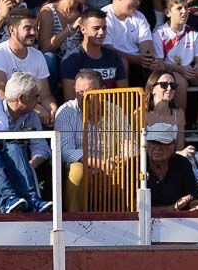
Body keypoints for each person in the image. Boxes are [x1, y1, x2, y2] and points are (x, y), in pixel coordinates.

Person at [55, 69, 137, 212]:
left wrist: (120, 160)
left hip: (113, 168)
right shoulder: (66, 112)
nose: (84, 97)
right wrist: (99, 163)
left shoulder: (116, 110)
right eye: (80, 92)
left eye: (89, 92)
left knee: (134, 166)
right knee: (76, 171)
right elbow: (66, 151)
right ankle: (74, 221)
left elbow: (130, 144)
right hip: (85, 168)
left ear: (103, 90)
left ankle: (131, 221)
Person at [0, 71, 54, 213]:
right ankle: (9, 200)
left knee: (15, 150)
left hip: (19, 159)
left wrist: (32, 163)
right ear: (22, 98)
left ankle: (33, 201)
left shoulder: (31, 115)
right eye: (36, 96)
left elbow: (41, 146)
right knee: (14, 149)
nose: (38, 101)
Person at [152, 0, 198, 124]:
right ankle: (181, 124)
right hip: (170, 72)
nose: (184, 12)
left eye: (186, 7)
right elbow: (159, 64)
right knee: (179, 84)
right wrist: (180, 69)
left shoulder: (192, 32)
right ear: (167, 12)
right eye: (179, 8)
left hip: (188, 71)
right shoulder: (159, 33)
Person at [0, 8, 54, 126]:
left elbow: (45, 95)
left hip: (29, 113)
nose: (33, 32)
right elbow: (2, 95)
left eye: (35, 28)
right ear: (12, 30)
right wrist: (36, 107)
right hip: (1, 116)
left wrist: (53, 110)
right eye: (27, 28)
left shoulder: (37, 55)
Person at [146, 121, 198, 210]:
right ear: (146, 144)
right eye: (153, 142)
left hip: (179, 221)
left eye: (163, 143)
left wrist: (195, 207)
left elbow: (194, 197)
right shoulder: (136, 164)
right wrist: (171, 208)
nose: (157, 148)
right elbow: (134, 208)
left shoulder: (182, 163)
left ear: (173, 146)